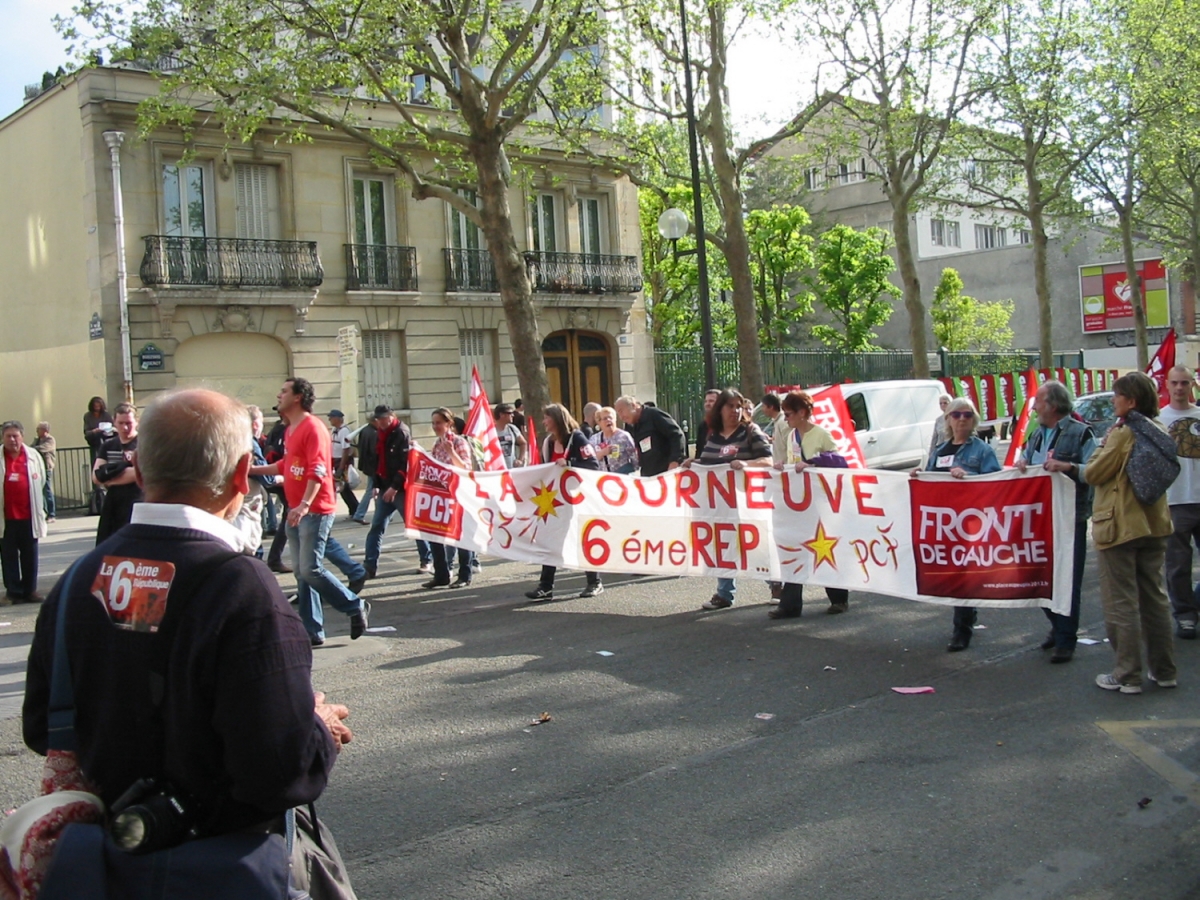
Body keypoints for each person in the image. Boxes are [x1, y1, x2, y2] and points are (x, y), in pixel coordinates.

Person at [23, 388, 354, 888]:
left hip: (107, 868)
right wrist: (319, 729)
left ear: (140, 465)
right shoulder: (243, 588)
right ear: (243, 474)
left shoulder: (78, 579)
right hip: (222, 868)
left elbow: (41, 725)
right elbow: (280, 773)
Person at [250, 378, 369, 647]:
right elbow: (285, 465)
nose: (278, 395)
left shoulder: (313, 428)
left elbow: (317, 469)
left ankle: (354, 606)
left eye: (284, 391)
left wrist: (304, 505)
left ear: (297, 397)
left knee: (311, 569)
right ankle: (313, 630)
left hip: (314, 509)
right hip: (297, 509)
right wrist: (251, 470)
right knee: (302, 574)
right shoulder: (290, 429)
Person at [1080, 371, 1178, 693]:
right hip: (1153, 523)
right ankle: (1164, 671)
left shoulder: (1124, 434)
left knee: (1121, 602)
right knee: (1155, 599)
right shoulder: (1159, 428)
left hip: (1119, 526)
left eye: (1117, 395)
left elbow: (1094, 473)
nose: (1113, 400)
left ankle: (1127, 674)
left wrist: (1104, 443)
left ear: (1131, 401)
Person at [1017, 381, 1097, 663]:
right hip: (1039, 519)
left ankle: (1066, 640)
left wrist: (1068, 467)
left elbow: (1095, 471)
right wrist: (1022, 465)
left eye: (1038, 401)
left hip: (1069, 518)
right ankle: (1058, 624)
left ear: (1052, 405)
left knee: (1067, 580)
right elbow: (1026, 460)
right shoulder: (1038, 434)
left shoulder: (1080, 433)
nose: (1035, 406)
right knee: (1035, 576)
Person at [916, 397, 1001, 651]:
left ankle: (961, 630)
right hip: (945, 524)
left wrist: (970, 477)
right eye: (956, 415)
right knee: (954, 573)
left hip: (971, 523)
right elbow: (929, 480)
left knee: (964, 574)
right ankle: (967, 613)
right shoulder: (940, 452)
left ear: (974, 419)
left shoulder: (982, 451)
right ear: (948, 420)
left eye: (966, 415)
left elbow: (996, 483)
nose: (961, 419)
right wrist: (918, 477)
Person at [682, 389, 773, 610]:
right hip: (719, 507)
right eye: (730, 406)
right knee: (721, 545)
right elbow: (708, 462)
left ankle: (775, 582)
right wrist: (692, 463)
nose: (735, 411)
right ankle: (724, 593)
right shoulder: (713, 435)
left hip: (746, 505)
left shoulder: (750, 432)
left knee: (754, 544)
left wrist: (747, 465)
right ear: (720, 409)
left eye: (738, 406)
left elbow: (768, 461)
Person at [769, 391, 850, 618]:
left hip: (820, 504)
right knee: (794, 550)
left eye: (789, 414)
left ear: (802, 413)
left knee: (824, 548)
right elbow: (792, 464)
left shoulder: (821, 434)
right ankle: (790, 604)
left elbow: (840, 462)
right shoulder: (792, 436)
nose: (786, 419)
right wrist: (781, 467)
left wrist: (813, 462)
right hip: (798, 504)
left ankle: (839, 597)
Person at [525, 404, 603, 600]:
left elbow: (592, 464)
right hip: (554, 501)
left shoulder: (576, 438)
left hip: (577, 499)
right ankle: (546, 586)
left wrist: (570, 464)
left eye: (547, 418)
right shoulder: (548, 443)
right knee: (549, 539)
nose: (544, 422)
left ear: (557, 419)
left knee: (580, 539)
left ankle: (594, 582)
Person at [1157, 365, 1200, 640]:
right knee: (1177, 565)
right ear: (1167, 385)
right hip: (1175, 501)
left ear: (1193, 385)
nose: (1180, 388)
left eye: (1185, 382)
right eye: (1176, 383)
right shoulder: (1159, 420)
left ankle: (1193, 604)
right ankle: (1185, 615)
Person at [364, 405, 426, 578]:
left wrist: (394, 487)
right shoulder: (380, 434)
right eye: (378, 419)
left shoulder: (401, 433)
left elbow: (405, 464)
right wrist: (376, 484)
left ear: (392, 416)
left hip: (400, 489)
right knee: (376, 526)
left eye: (383, 418)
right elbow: (378, 461)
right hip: (385, 486)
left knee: (413, 526)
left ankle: (426, 560)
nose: (380, 422)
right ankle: (369, 566)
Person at [423, 409, 475, 589]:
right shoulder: (437, 444)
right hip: (441, 494)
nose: (436, 427)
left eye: (439, 423)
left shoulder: (458, 442)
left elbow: (466, 468)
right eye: (434, 423)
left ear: (449, 423)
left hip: (458, 494)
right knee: (435, 534)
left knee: (461, 535)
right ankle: (441, 574)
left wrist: (452, 453)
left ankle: (464, 575)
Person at [1, 421, 47, 604]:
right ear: (3, 437)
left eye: (16, 436)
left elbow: (41, 480)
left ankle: (30, 591)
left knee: (30, 555)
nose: (12, 440)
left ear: (22, 436)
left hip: (29, 516)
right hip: (6, 517)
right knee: (8, 556)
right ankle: (13, 592)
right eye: (8, 436)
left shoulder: (33, 456)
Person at [93, 402, 143, 545]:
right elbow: (96, 477)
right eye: (120, 423)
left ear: (137, 422)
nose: (124, 427)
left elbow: (144, 474)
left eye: (129, 423)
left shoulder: (145, 443)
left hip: (138, 502)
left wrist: (110, 478)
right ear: (114, 422)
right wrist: (131, 472)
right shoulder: (108, 445)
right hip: (113, 505)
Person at [615, 394, 686, 476]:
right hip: (649, 474)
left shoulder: (653, 415)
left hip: (667, 471)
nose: (621, 417)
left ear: (633, 405)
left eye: (621, 411)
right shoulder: (630, 426)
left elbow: (676, 435)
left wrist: (675, 460)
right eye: (618, 414)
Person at [263, 412, 291, 573]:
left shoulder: (276, 429)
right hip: (281, 478)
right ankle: (274, 558)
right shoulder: (283, 431)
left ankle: (274, 558)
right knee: (291, 516)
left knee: (289, 515)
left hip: (277, 477)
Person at [83, 397, 113, 516]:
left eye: (98, 404)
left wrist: (106, 431)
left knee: (108, 468)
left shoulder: (106, 415)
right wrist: (94, 431)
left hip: (106, 442)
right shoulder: (88, 416)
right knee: (96, 468)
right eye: (95, 404)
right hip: (95, 444)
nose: (97, 406)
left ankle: (107, 494)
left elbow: (112, 429)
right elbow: (86, 432)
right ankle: (98, 498)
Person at [327, 409, 359, 520]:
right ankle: (354, 509)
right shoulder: (335, 430)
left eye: (332, 417)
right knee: (342, 488)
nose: (329, 419)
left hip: (342, 461)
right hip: (335, 460)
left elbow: (346, 450)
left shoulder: (344, 431)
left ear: (338, 418)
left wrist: (341, 467)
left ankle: (355, 509)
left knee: (344, 488)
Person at [590, 406, 638, 474]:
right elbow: (590, 461)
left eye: (611, 418)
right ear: (599, 422)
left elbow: (635, 457)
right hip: (604, 478)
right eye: (605, 418)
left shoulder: (624, 436)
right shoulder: (594, 439)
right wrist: (603, 453)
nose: (608, 420)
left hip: (622, 477)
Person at [350, 417, 380, 524]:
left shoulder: (366, 430)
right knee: (371, 491)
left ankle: (380, 513)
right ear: (375, 421)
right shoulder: (374, 433)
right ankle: (360, 514)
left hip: (368, 465)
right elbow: (374, 452)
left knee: (376, 490)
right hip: (373, 466)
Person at [33, 422, 56, 522]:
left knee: (47, 490)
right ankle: (44, 512)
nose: (37, 431)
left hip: (46, 467)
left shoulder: (50, 440)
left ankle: (52, 514)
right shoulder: (37, 440)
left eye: (39, 429)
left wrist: (32, 449)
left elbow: (43, 449)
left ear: (45, 430)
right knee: (40, 490)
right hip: (38, 467)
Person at [495, 403, 528, 468]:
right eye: (510, 413)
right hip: (496, 472)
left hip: (511, 470)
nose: (513, 415)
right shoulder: (490, 431)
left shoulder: (512, 428)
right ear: (501, 415)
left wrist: (520, 460)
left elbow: (523, 443)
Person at [761, 393, 790, 466]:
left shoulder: (783, 421)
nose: (762, 409)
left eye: (763, 406)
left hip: (786, 468)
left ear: (771, 407)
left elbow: (790, 443)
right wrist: (771, 440)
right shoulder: (777, 421)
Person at [693, 389, 720, 459]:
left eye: (711, 401)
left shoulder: (727, 425)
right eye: (706, 401)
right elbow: (699, 451)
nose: (707, 404)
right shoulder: (703, 426)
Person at [928, 393, 952, 461]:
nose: (942, 405)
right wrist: (931, 454)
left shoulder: (955, 418)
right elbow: (934, 438)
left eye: (945, 403)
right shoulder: (938, 420)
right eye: (940, 403)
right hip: (941, 451)